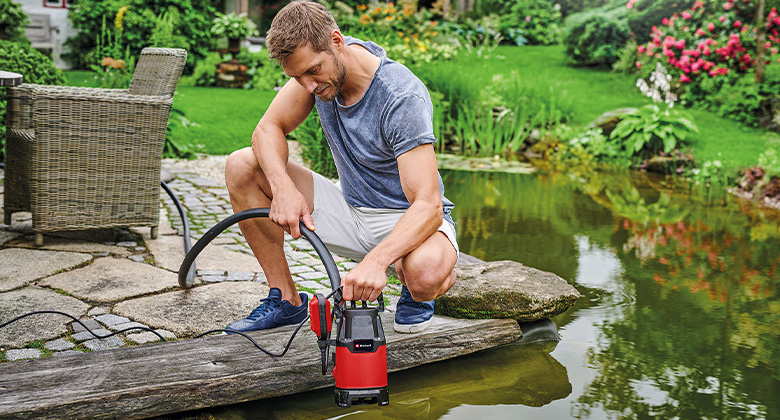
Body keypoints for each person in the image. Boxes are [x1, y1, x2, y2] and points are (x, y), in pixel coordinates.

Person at [224, 0, 458, 334]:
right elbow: (265, 130)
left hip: (406, 219)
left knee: (425, 274)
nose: (307, 86)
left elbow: (429, 204)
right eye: (296, 76)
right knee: (241, 165)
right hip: (350, 210)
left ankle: (418, 282)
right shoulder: (318, 72)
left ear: (337, 42)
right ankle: (287, 300)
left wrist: (376, 262)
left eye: (312, 71)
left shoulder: (400, 97)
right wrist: (283, 188)